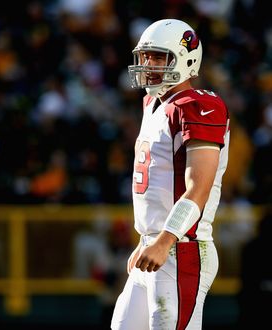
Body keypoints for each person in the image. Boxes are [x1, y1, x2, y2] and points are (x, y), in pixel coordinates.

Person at [110, 19, 230, 330]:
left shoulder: (198, 105)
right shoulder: (153, 103)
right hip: (157, 244)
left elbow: (198, 189)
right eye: (146, 56)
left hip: (183, 247)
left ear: (186, 58)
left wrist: (164, 240)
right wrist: (146, 239)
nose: (148, 64)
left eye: (158, 57)